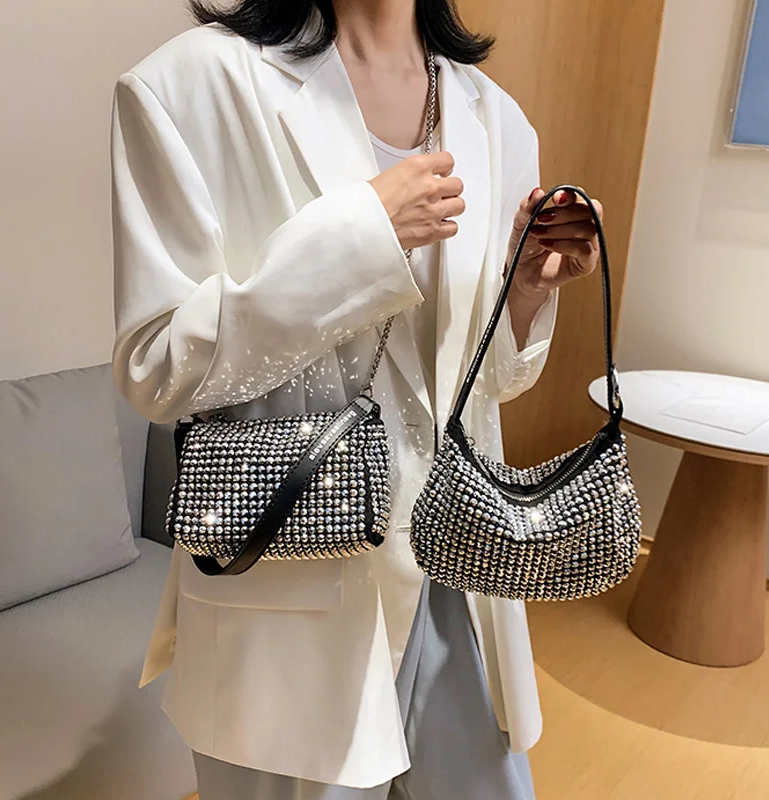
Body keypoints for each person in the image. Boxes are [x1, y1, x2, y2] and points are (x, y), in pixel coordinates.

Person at [110, 0, 602, 797]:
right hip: (292, 582)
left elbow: (489, 385)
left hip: (457, 570)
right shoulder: (188, 87)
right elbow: (156, 368)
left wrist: (525, 292)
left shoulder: (494, 117)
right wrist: (361, 240)